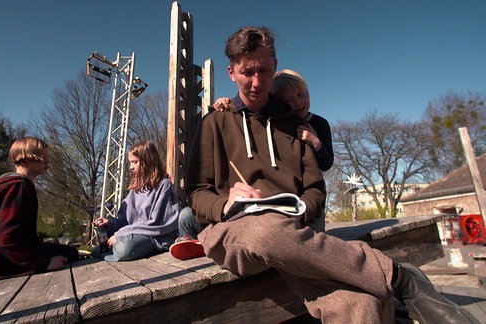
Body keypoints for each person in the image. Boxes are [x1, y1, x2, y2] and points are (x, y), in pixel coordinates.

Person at [184, 26, 477, 323]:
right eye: (247, 72)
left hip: (297, 233)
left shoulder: (296, 127)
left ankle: (386, 286)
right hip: (234, 232)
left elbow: (315, 189)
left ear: (274, 67)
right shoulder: (214, 123)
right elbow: (196, 193)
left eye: (265, 71)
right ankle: (398, 276)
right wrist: (225, 204)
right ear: (231, 72)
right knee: (266, 229)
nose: (257, 82)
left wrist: (300, 213)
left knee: (361, 304)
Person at [174, 69, 333, 250]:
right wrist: (227, 104)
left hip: (303, 205)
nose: (296, 103)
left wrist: (316, 143)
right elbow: (198, 190)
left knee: (305, 232)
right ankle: (199, 241)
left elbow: (324, 167)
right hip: (251, 213)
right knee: (186, 215)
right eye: (287, 100)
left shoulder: (316, 124)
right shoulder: (242, 123)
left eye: (300, 95)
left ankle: (210, 240)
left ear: (308, 93)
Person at [0, 136, 79, 283]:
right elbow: (6, 240)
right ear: (24, 158)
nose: (48, 161)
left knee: (67, 251)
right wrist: (43, 263)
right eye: (42, 157)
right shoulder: (17, 186)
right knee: (70, 254)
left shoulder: (2, 184)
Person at [92, 140, 179, 261]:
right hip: (134, 234)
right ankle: (109, 252)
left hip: (155, 237)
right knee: (96, 251)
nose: (131, 167)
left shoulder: (164, 185)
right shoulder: (135, 189)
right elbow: (125, 222)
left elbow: (157, 224)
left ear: (148, 161)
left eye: (135, 162)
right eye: (130, 162)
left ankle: (112, 252)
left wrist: (119, 235)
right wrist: (109, 223)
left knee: (124, 248)